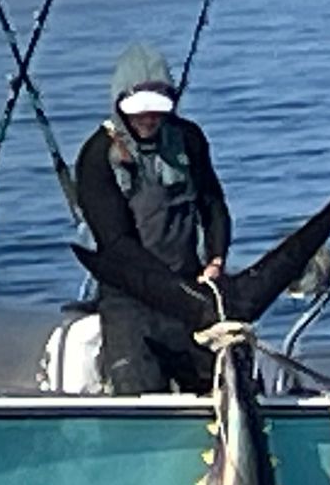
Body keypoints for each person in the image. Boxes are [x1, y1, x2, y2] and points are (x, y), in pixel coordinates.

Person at [75, 44, 231, 394]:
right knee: (139, 388)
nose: (148, 119)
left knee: (222, 383)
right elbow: (115, 242)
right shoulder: (97, 156)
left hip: (190, 290)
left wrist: (216, 259)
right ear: (119, 106)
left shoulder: (188, 139)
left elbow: (213, 204)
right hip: (129, 298)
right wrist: (168, 288)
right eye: (139, 112)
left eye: (157, 112)